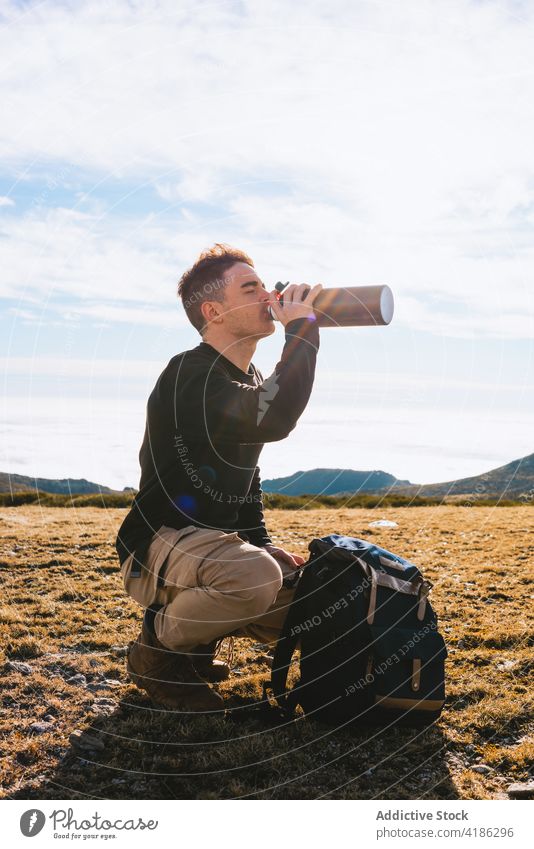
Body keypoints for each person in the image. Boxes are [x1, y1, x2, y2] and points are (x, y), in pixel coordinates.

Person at [115, 243, 322, 712]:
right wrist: (304, 331)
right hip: (155, 545)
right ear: (214, 310)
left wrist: (261, 539)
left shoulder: (248, 376)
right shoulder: (191, 374)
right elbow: (274, 420)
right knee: (252, 576)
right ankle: (158, 652)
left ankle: (195, 646)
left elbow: (245, 477)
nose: (270, 294)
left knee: (304, 592)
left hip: (211, 547)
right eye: (251, 288)